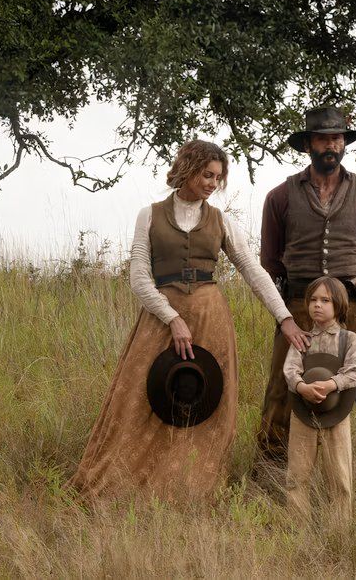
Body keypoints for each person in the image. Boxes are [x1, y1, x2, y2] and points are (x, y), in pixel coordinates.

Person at [70, 139, 310, 498]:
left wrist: (285, 317)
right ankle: (130, 484)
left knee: (204, 401)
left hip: (210, 318)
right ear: (187, 168)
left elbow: (251, 269)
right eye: (206, 174)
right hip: (159, 320)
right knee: (142, 399)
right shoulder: (149, 214)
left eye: (218, 177)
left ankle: (192, 488)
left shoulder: (220, 220)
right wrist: (171, 317)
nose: (213, 183)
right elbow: (138, 276)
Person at [255, 105, 356, 486]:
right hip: (298, 306)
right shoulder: (280, 197)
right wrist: (293, 309)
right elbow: (270, 259)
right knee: (280, 391)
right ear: (308, 144)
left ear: (345, 143)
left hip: (353, 305)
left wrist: (349, 294)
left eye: (338, 138)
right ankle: (271, 481)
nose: (331, 145)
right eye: (323, 138)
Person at [283, 276, 356, 523]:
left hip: (337, 417)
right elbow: (290, 370)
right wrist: (302, 387)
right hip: (303, 415)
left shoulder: (350, 340)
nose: (317, 305)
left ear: (338, 305)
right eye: (313, 300)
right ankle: (297, 530)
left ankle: (339, 531)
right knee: (297, 475)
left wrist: (330, 385)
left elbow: (354, 372)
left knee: (339, 477)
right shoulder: (302, 340)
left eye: (325, 300)